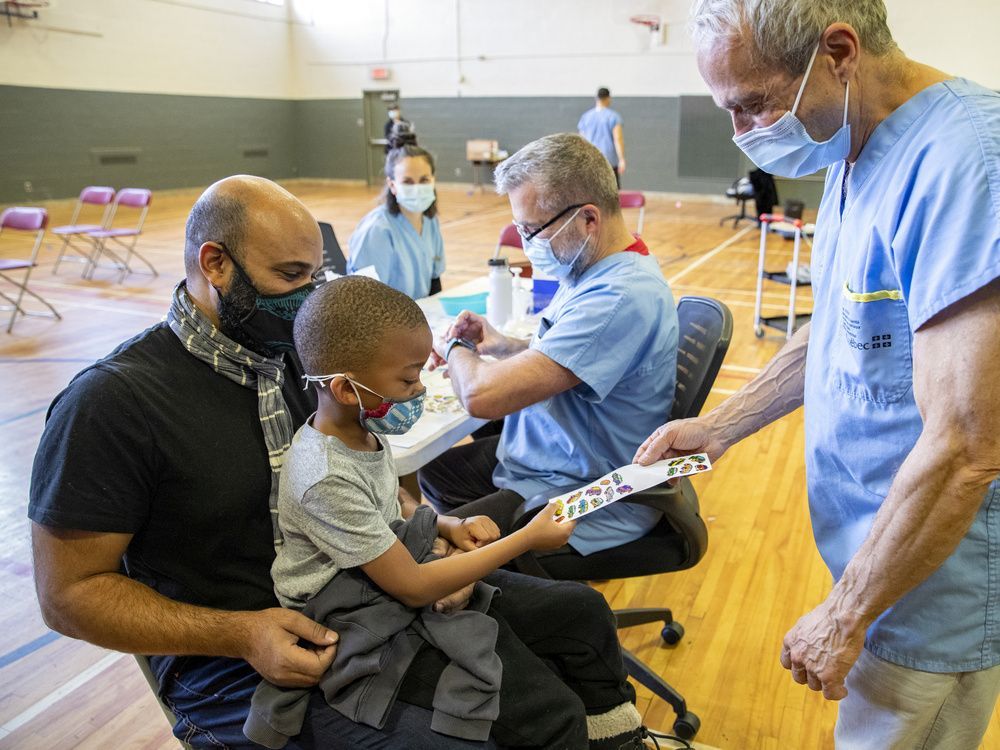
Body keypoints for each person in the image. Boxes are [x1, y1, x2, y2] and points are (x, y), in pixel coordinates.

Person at [635, 2, 1000, 748]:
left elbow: (969, 443)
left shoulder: (969, 162)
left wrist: (846, 612)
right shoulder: (853, 150)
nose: (744, 134)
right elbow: (840, 325)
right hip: (879, 561)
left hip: (933, 588)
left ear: (838, 51)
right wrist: (722, 426)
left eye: (754, 104)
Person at [27, 175, 497, 749]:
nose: (309, 296)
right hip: (228, 664)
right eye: (291, 277)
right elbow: (68, 596)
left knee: (540, 643)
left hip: (353, 605)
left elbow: (364, 477)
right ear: (216, 264)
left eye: (316, 274)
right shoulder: (111, 404)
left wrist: (424, 536)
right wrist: (241, 634)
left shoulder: (306, 358)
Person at [247, 275, 650, 749]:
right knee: (550, 711)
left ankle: (615, 734)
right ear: (346, 388)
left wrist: (445, 523)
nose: (419, 388)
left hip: (389, 573)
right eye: (408, 377)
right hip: (350, 614)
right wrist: (523, 541)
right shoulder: (323, 473)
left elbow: (386, 507)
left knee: (582, 609)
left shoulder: (357, 428)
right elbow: (414, 588)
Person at [419, 133, 678, 558]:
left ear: (588, 219)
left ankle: (511, 583)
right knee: (440, 475)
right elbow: (571, 355)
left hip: (583, 495)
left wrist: (455, 346)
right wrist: (504, 346)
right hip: (553, 462)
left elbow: (481, 396)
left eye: (532, 230)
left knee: (441, 553)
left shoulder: (619, 296)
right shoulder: (595, 269)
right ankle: (511, 578)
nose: (525, 244)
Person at [348, 133, 445, 298]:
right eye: (408, 182)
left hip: (420, 315)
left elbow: (434, 281)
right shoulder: (377, 230)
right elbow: (365, 298)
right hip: (385, 320)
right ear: (392, 185)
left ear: (433, 180)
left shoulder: (430, 221)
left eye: (424, 180)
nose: (417, 188)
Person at [577, 88, 626, 188]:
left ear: (596, 98)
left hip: (590, 160)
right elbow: (618, 139)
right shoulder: (613, 117)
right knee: (612, 191)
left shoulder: (586, 117)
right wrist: (621, 159)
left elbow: (581, 140)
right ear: (608, 98)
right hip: (609, 161)